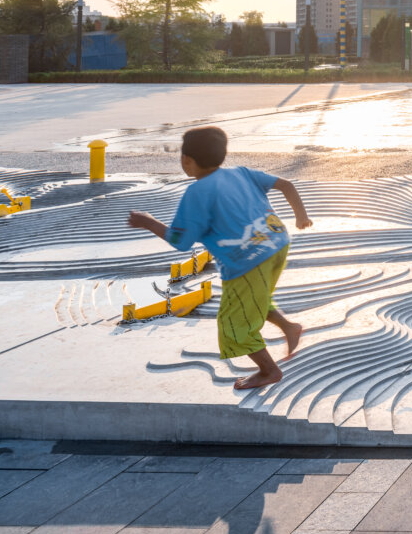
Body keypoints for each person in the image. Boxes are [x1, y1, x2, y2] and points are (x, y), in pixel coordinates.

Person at [125, 126, 311, 390]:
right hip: (278, 244)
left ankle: (269, 370)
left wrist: (148, 222)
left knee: (232, 321)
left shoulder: (197, 193)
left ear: (186, 160)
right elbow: (287, 185)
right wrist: (301, 216)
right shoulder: (241, 172)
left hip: (247, 260)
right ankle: (290, 327)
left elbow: (180, 241)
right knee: (255, 298)